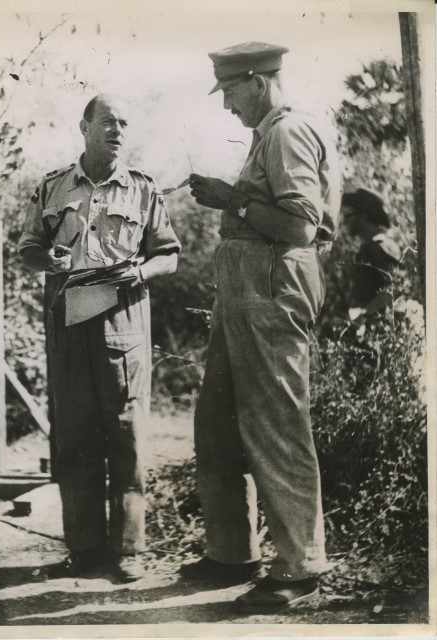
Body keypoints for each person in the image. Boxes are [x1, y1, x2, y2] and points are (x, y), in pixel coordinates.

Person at [180, 42, 341, 612]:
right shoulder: (268, 133)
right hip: (248, 288)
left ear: (257, 81)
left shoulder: (288, 132)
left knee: (277, 423)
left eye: (229, 91)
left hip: (272, 287)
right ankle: (231, 552)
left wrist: (233, 201)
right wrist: (235, 203)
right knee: (218, 422)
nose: (226, 105)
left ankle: (300, 567)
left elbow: (301, 228)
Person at [18, 93, 181, 582]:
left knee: (127, 437)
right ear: (85, 126)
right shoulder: (52, 186)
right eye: (109, 122)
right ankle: (85, 551)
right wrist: (46, 259)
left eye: (124, 124)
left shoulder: (142, 188)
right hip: (69, 322)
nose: (118, 131)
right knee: (74, 437)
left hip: (123, 323)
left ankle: (128, 551)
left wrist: (142, 273)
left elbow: (169, 254)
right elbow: (29, 247)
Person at [341, 188, 402, 323]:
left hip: (380, 326)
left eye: (348, 216)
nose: (344, 222)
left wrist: (365, 313)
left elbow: (395, 288)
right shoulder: (366, 249)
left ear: (363, 216)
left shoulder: (380, 246)